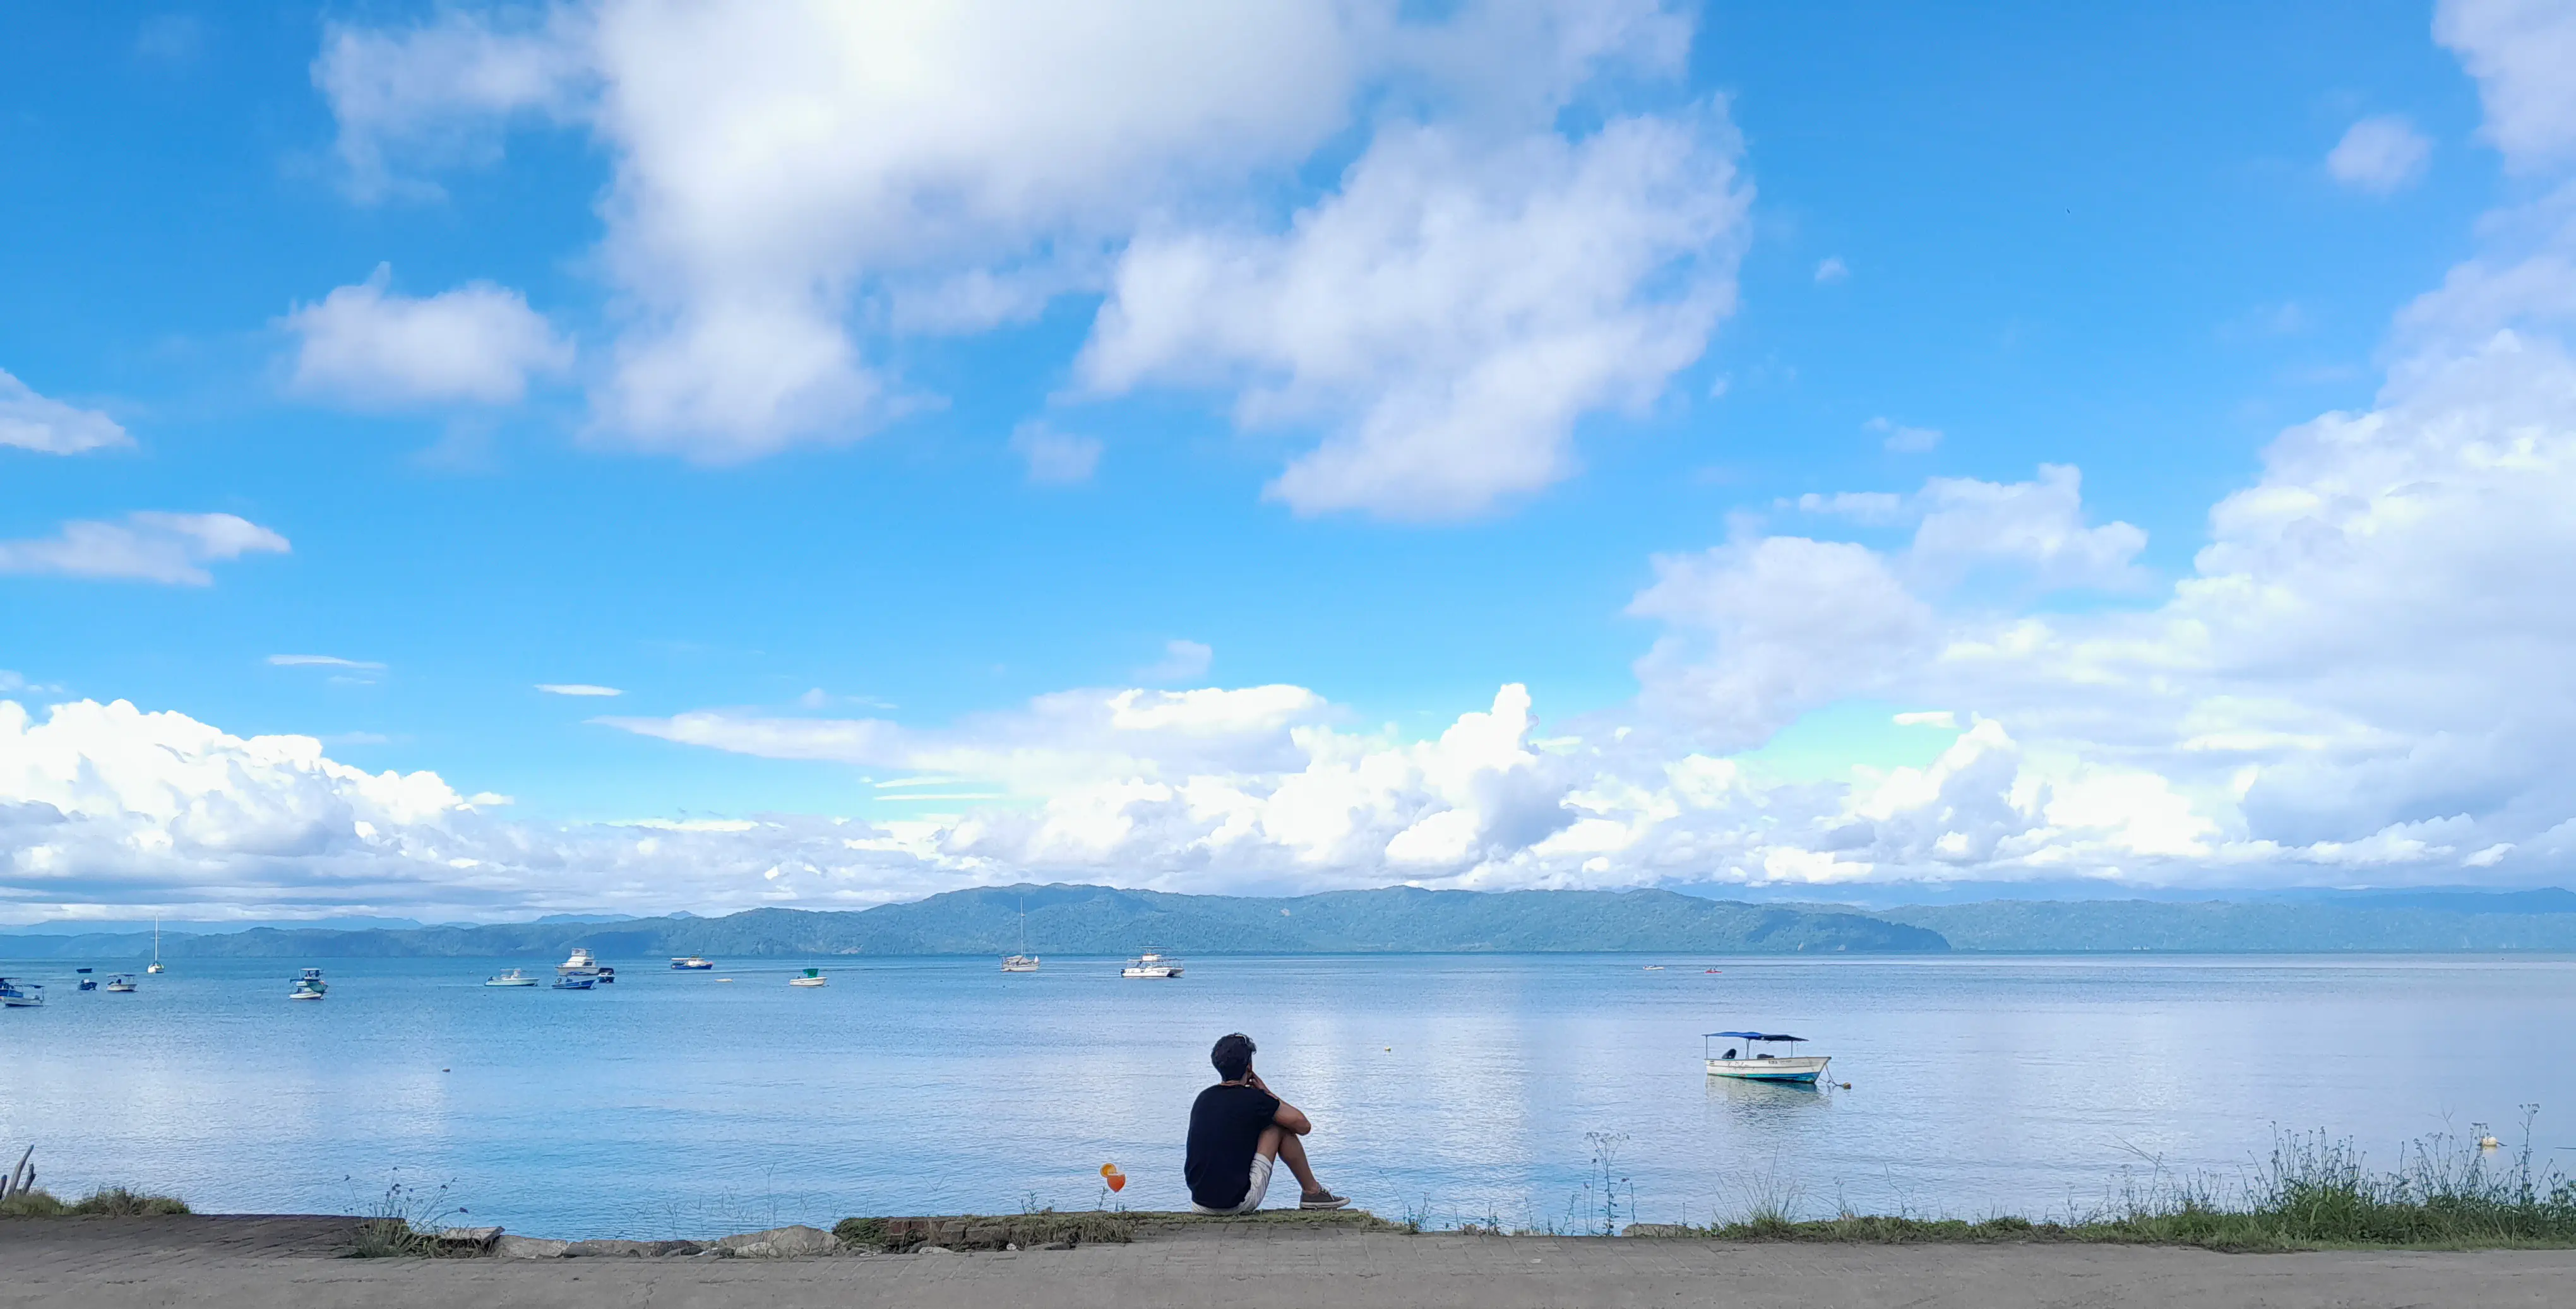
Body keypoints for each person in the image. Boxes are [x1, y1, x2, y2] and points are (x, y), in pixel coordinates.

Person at [1184, 1033, 1348, 1214]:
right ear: (1249, 1067)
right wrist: (1267, 1093)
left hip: (1199, 1202)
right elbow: (1303, 1126)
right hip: (1235, 1204)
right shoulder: (1256, 1100)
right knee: (1279, 1126)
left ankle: (1313, 1193)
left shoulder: (1203, 1098)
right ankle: (1312, 1192)